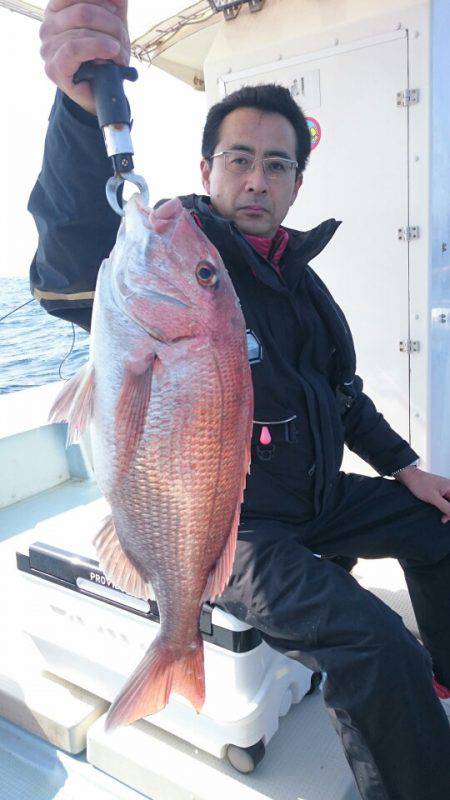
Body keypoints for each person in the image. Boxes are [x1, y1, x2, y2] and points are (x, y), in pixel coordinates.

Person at [30, 2, 450, 798]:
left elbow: (345, 395)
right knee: (375, 645)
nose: (256, 179)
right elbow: (71, 259)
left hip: (319, 497)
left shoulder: (304, 280)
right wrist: (84, 114)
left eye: (277, 165)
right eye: (239, 160)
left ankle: (442, 683)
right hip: (236, 528)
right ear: (206, 171)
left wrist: (406, 470)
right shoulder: (181, 250)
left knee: (442, 527)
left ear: (296, 181)